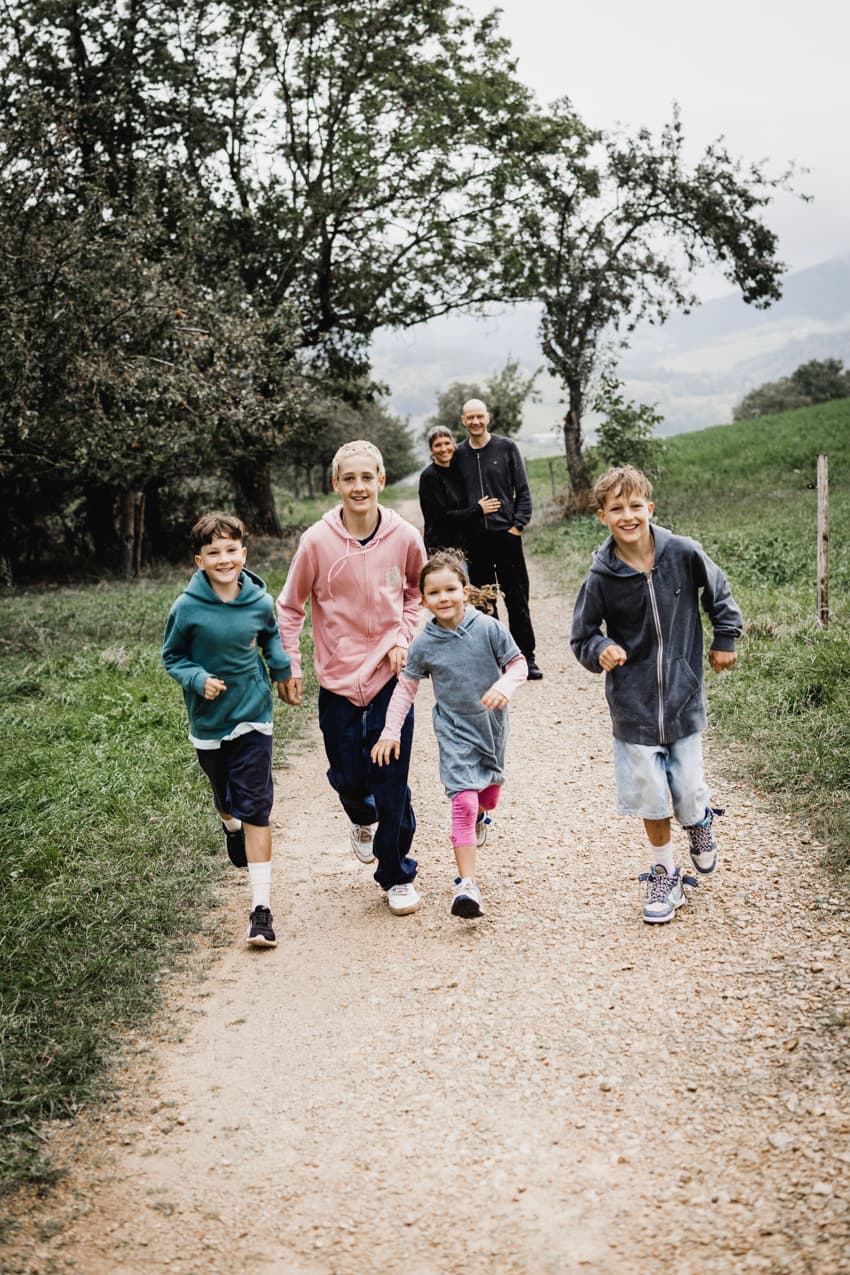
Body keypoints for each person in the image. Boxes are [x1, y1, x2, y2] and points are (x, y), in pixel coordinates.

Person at [570, 465, 743, 925]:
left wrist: (725, 637)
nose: (627, 516)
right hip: (633, 704)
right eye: (616, 509)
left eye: (634, 506)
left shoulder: (683, 553)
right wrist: (600, 648)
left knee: (687, 791)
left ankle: (700, 821)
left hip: (683, 697)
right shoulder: (601, 577)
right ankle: (665, 873)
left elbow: (719, 592)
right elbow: (582, 636)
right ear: (602, 516)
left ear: (650, 508)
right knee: (650, 794)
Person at [276, 440, 427, 916]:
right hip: (338, 681)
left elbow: (419, 593)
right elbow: (290, 607)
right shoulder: (316, 542)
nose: (359, 487)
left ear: (381, 481)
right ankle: (362, 818)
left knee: (392, 778)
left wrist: (404, 637)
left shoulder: (404, 535)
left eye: (368, 477)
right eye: (350, 479)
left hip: (390, 677)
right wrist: (291, 665)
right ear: (336, 484)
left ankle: (396, 873)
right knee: (348, 778)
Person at [372, 551, 527, 918]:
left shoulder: (488, 628)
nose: (444, 598)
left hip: (490, 728)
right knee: (463, 802)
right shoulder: (423, 644)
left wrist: (505, 685)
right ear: (423, 600)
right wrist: (390, 731)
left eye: (450, 589)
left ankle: (480, 817)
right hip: (454, 732)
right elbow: (406, 689)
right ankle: (468, 886)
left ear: (466, 590)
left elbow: (518, 664)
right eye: (434, 593)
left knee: (487, 797)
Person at [162, 511, 292, 948]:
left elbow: (270, 636)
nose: (224, 558)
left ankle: (260, 910)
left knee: (256, 806)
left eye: (231, 550)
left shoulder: (258, 600)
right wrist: (198, 679)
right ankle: (228, 824)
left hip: (253, 713)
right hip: (209, 721)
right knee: (226, 798)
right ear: (199, 561)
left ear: (243, 553)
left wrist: (282, 670)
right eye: (213, 552)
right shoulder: (186, 608)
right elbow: (172, 657)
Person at [453, 398, 543, 680]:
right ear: (463, 420)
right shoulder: (457, 454)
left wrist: (518, 526)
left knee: (517, 598)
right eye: (470, 417)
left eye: (480, 416)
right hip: (474, 540)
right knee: (483, 601)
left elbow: (523, 491)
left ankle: (526, 658)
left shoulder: (506, 447)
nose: (476, 422)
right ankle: (494, 659)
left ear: (487, 417)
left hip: (506, 536)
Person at [417, 425, 498, 555]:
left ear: (454, 445)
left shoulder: (457, 471)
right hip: (442, 549)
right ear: (431, 450)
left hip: (465, 545)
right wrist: (478, 509)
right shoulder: (429, 476)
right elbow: (441, 518)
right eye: (438, 445)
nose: (444, 449)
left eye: (447, 443)